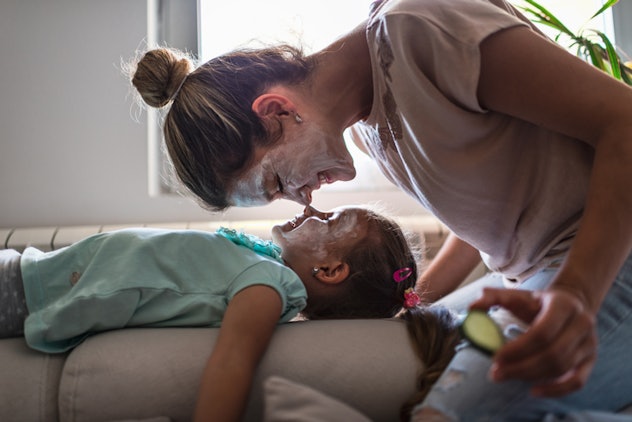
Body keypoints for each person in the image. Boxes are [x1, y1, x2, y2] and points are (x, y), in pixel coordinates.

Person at [129, 0, 632, 418]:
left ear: (277, 111)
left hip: (611, 250)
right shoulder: (371, 130)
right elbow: (494, 216)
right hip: (538, 271)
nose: (303, 199)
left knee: (449, 412)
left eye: (279, 182)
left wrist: (577, 294)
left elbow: (624, 121)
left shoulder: (420, 28)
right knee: (421, 346)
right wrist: (412, 304)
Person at [0, 204, 460, 421]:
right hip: (31, 271)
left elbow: (233, 361)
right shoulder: (264, 267)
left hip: (24, 290)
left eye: (331, 221)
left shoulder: (269, 287)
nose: (313, 208)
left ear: (330, 269)